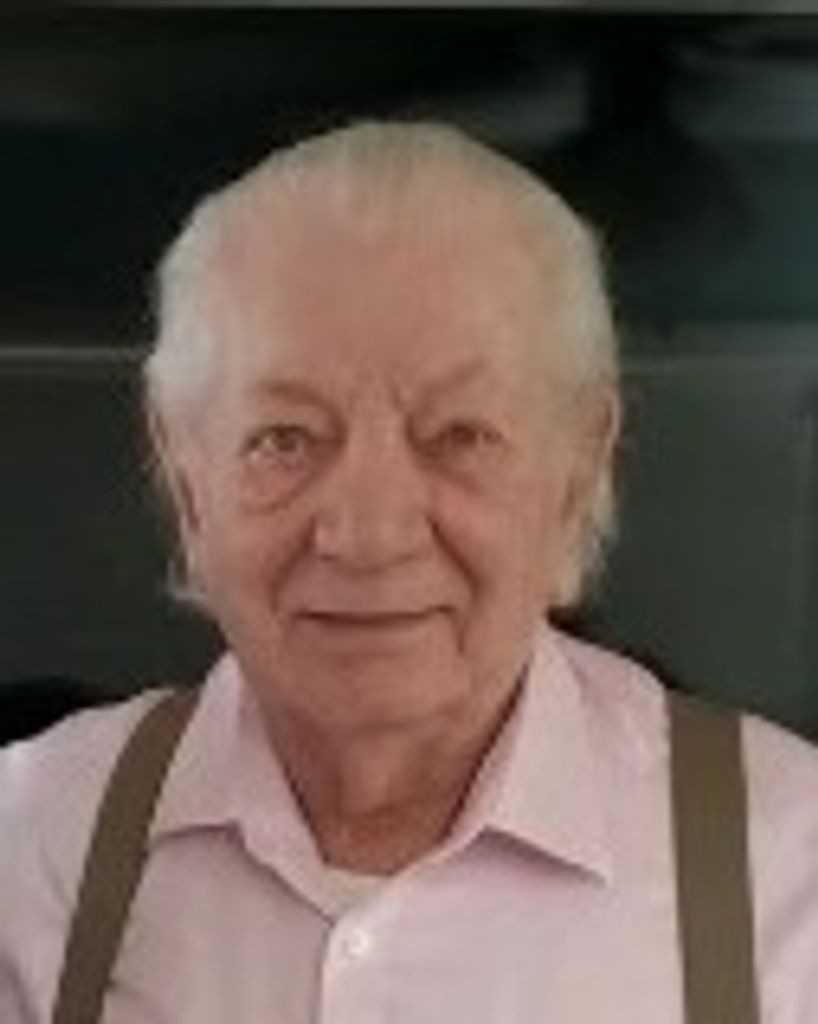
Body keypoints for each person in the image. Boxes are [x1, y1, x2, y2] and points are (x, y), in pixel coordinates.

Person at [2, 120, 817, 1023]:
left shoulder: (793, 876)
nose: (368, 534)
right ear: (188, 479)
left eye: (459, 435)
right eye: (286, 439)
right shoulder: (31, 846)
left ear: (579, 468)